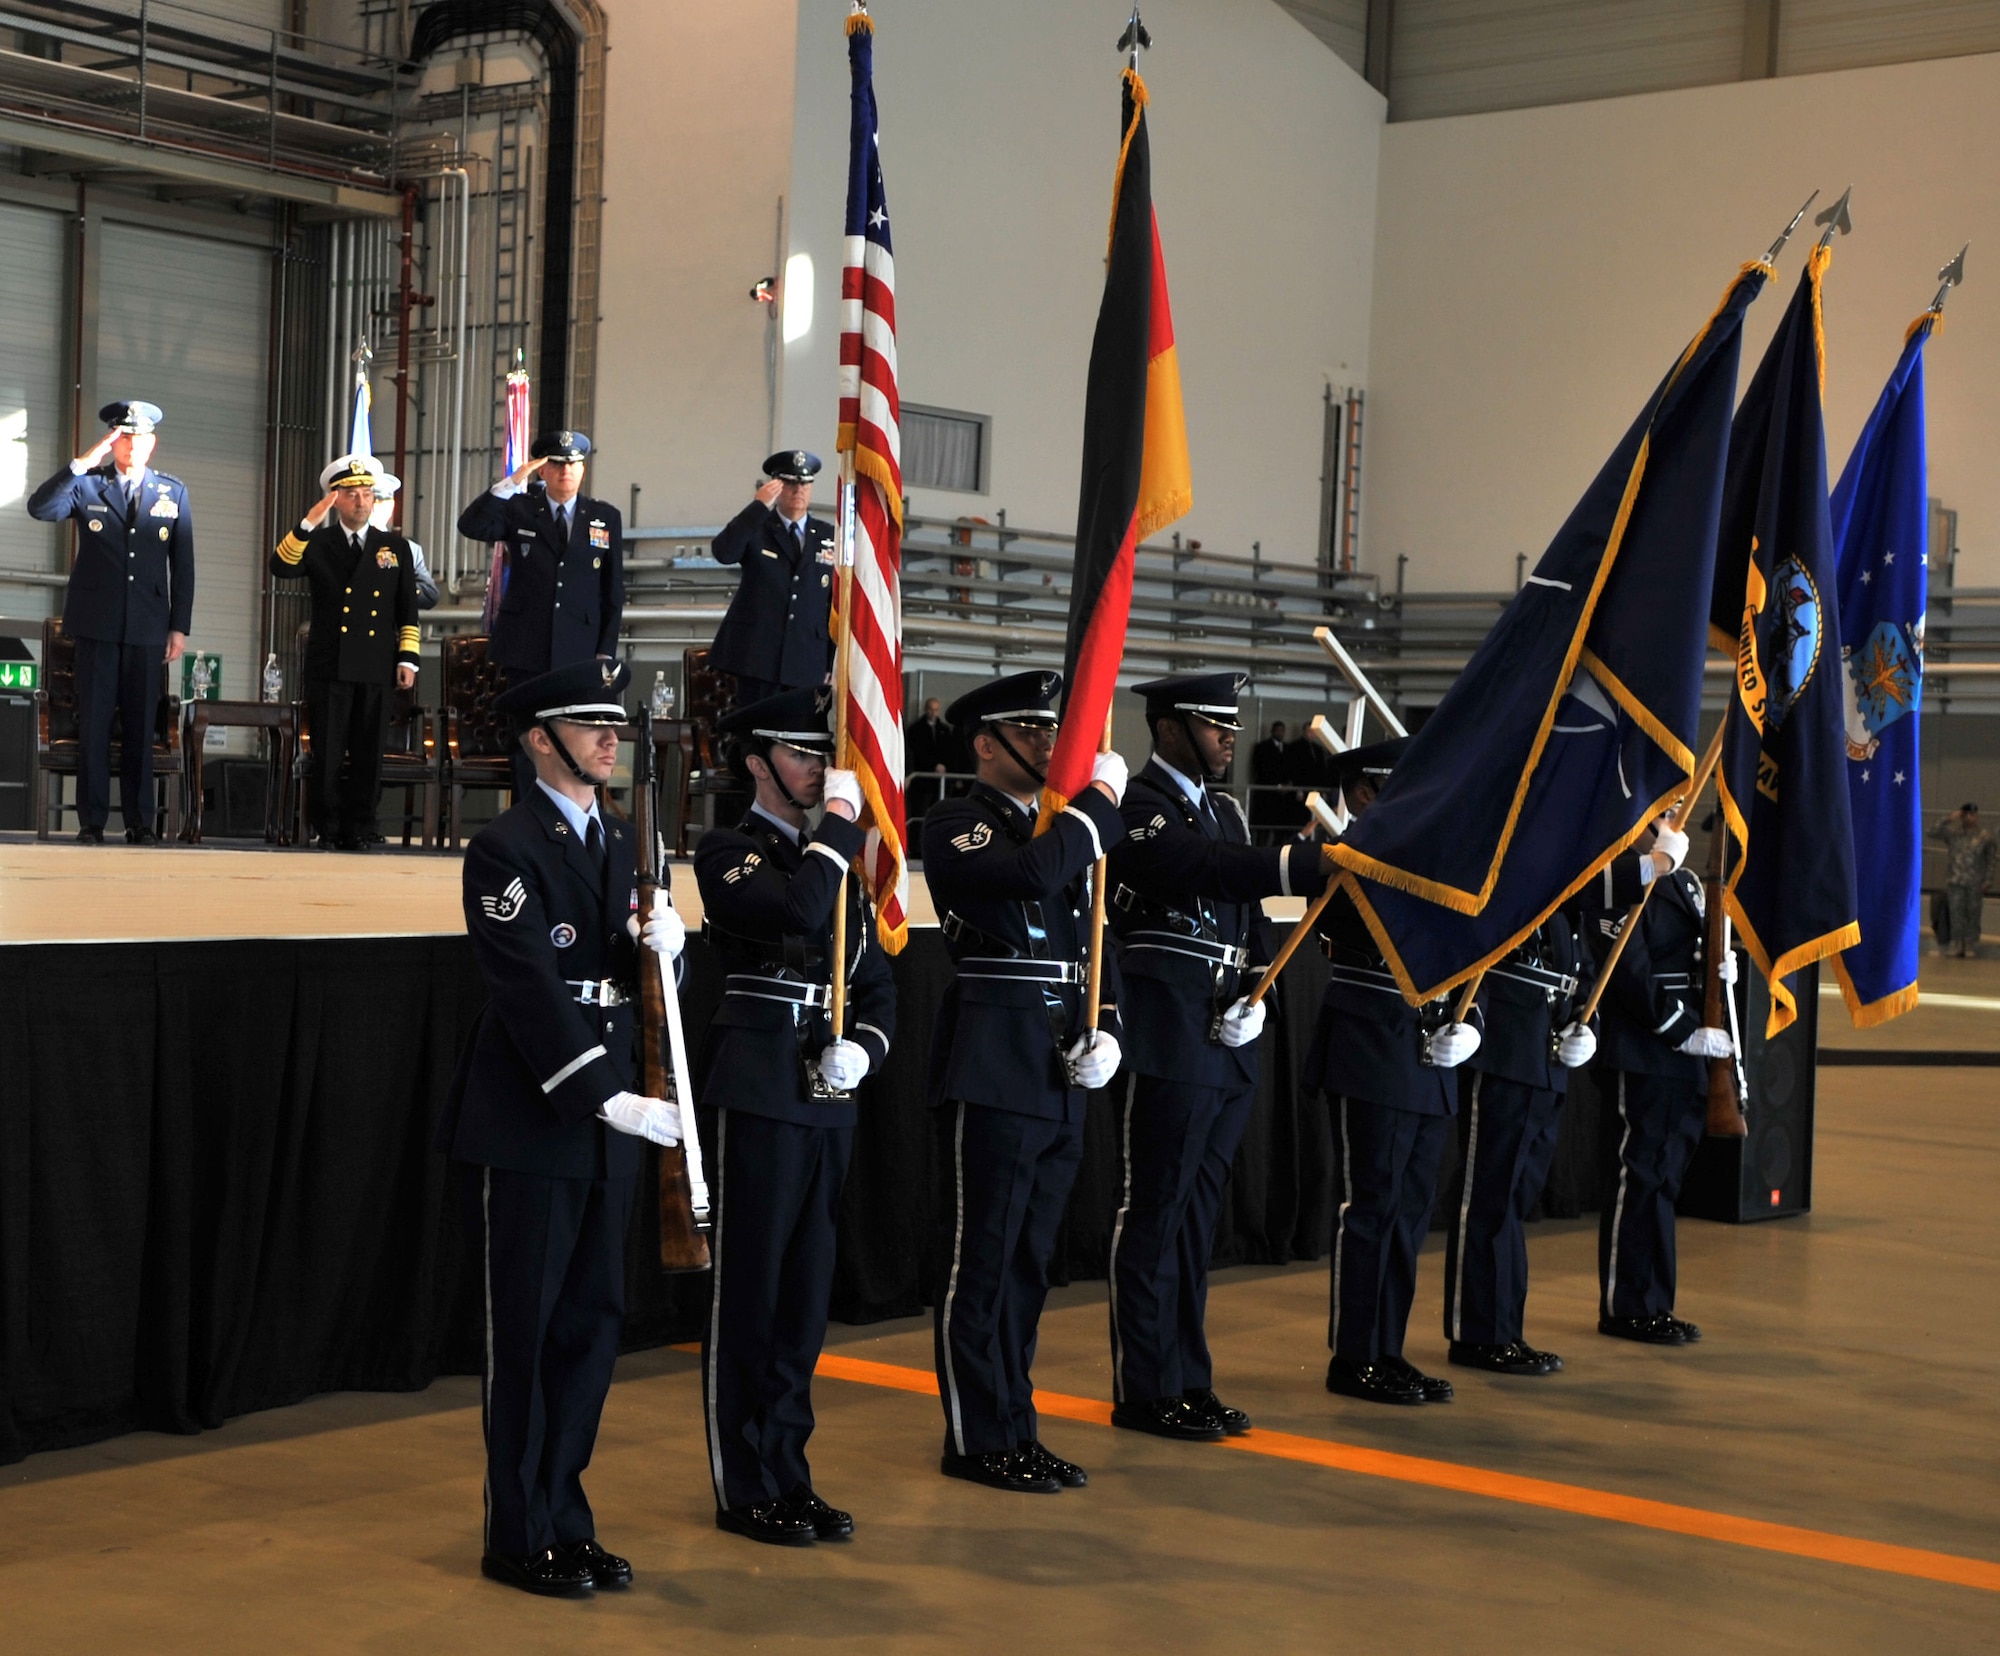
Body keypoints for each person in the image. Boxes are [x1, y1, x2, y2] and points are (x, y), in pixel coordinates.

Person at [434, 656, 688, 1598]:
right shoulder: (505, 848)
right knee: (531, 1333)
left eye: (614, 726)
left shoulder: (623, 843)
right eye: (590, 727)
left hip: (615, 1120)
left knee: (592, 1328)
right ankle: (517, 1533)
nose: (610, 739)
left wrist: (671, 952)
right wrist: (603, 1096)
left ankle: (566, 1518)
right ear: (541, 738)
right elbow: (531, 993)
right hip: (539, 1117)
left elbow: (638, 985)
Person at [693, 687, 897, 1547]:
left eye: (824, 754)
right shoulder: (729, 850)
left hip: (828, 1093)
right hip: (763, 1084)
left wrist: (870, 1050)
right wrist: (842, 830)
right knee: (752, 1293)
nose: (820, 767)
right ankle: (744, 1484)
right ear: (756, 762)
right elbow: (796, 910)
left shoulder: (838, 857)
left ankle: (789, 1469)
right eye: (802, 753)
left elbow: (879, 981)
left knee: (806, 1297)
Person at [1105, 673, 1330, 1441]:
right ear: (1168, 729)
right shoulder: (1137, 810)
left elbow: (1247, 913)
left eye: (1232, 726)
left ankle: (1188, 1378)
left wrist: (1258, 992)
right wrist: (1304, 863)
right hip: (1168, 1030)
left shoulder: (1225, 809)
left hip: (1225, 1034)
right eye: (1213, 725)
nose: (1229, 737)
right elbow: (1203, 869)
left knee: (1198, 1221)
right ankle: (1144, 1387)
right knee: (1157, 1213)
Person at [922, 670, 1127, 1494]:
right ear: (985, 744)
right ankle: (975, 1437)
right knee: (983, 1261)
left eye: (1054, 731)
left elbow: (1089, 940)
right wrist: (1097, 812)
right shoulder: (958, 822)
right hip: (996, 1061)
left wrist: (1106, 1023)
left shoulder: (1056, 827)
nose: (1051, 746)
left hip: (1058, 1067)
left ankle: (1017, 1423)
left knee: (1029, 1263)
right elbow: (1029, 878)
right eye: (1031, 732)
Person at [1302, 738, 1482, 1407]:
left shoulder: (1429, 862)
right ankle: (1354, 1355)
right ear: (1364, 795)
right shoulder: (1347, 863)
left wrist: (1471, 1024)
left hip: (1429, 1052)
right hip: (1370, 1047)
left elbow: (1468, 955)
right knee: (1370, 1208)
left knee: (1410, 1212)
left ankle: (1388, 1348)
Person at [1587, 817, 1734, 1346]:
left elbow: (1695, 955)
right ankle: (1626, 1306)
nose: (1674, 816)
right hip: (1647, 1043)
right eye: (1663, 809)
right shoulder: (1623, 875)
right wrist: (1681, 1029)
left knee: (1665, 1178)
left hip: (1689, 1047)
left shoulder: (1688, 882)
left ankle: (1653, 1301)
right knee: (1641, 1176)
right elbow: (1625, 967)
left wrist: (1719, 973)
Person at [27, 400, 194, 844]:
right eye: (122, 436)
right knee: (95, 724)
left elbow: (184, 563)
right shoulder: (88, 485)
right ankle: (92, 822)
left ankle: (140, 821)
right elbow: (40, 509)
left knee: (141, 725)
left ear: (152, 443)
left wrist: (179, 626)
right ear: (111, 441)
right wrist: (80, 464)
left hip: (147, 627)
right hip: (95, 625)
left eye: (139, 437)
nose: (131, 445)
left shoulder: (171, 492)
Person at [1441, 912, 1595, 1376]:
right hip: (1506, 1043)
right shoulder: (1516, 866)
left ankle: (1505, 1328)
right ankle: (1477, 1334)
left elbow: (1580, 962)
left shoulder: (1563, 881)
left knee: (1515, 1198)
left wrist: (1586, 1023)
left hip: (1547, 1049)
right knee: (1488, 1196)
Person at [456, 430, 626, 796]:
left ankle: (569, 814)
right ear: (542, 471)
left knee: (574, 735)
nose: (566, 471)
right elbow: (472, 526)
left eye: (574, 464)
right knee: (528, 736)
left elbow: (613, 591)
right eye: (557, 464)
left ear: (583, 470)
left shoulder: (604, 516)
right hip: (526, 644)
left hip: (579, 649)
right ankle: (526, 820)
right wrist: (511, 483)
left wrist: (605, 649)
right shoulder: (519, 508)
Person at [269, 455, 420, 851]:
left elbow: (407, 608)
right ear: (335, 500)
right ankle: (329, 826)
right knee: (330, 750)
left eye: (367, 494)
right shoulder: (318, 543)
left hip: (375, 661)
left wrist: (408, 659)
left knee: (370, 751)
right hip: (330, 662)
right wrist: (307, 523)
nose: (360, 502)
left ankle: (363, 825)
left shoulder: (395, 547)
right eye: (351, 495)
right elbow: (279, 567)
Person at [708, 450, 837, 707]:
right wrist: (758, 507)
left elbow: (836, 604)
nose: (798, 489)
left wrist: (830, 661)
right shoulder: (757, 527)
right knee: (754, 738)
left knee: (799, 741)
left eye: (805, 483)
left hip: (806, 659)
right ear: (775, 485)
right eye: (790, 482)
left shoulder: (829, 535)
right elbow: (724, 552)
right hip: (757, 658)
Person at [369, 469, 441, 610]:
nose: (377, 509)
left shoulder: (409, 548)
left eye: (384, 503)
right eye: (374, 502)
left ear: (392, 506)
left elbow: (430, 595)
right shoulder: (346, 543)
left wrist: (393, 586)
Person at [1933, 804, 1996, 958]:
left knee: (1973, 914)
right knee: (1956, 915)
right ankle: (1957, 944)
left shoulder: (1985, 836)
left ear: (1977, 816)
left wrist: (1988, 880)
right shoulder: (1954, 834)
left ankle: (1970, 945)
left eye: (1972, 815)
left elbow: (1991, 860)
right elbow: (1933, 832)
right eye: (1966, 815)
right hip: (1955, 880)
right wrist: (1949, 818)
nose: (1969, 818)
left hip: (1975, 882)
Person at [905, 696, 953, 820]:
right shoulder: (915, 730)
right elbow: (917, 752)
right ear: (925, 710)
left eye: (936, 710)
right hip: (922, 781)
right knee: (920, 814)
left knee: (940, 815)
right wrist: (934, 765)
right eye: (931, 709)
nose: (933, 713)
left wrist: (944, 765)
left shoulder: (945, 730)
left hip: (940, 781)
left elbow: (949, 751)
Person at [1249, 719, 1292, 842]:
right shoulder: (1262, 747)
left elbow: (1290, 768)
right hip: (1267, 793)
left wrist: (1288, 783)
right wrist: (1276, 785)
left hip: (1283, 796)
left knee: (1280, 830)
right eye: (1278, 730)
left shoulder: (1288, 748)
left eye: (1283, 730)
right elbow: (1260, 768)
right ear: (1272, 731)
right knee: (1263, 829)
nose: (1281, 733)